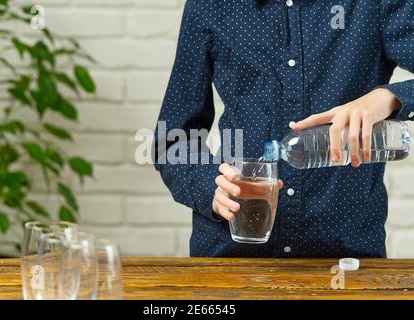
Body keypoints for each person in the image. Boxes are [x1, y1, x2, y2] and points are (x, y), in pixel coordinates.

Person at [153, 0, 414, 258]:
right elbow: (172, 141)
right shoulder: (210, 5)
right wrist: (211, 187)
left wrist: (389, 97)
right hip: (230, 259)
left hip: (345, 259)